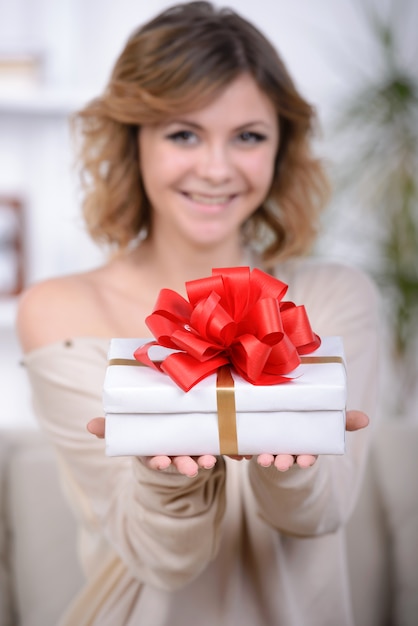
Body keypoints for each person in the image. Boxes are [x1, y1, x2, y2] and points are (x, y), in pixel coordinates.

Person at [16, 2, 378, 625]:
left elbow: (318, 515)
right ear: (134, 142)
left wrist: (294, 462)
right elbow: (164, 560)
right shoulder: (61, 310)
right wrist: (168, 480)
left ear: (280, 148)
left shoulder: (337, 298)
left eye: (248, 136)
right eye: (183, 134)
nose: (216, 169)